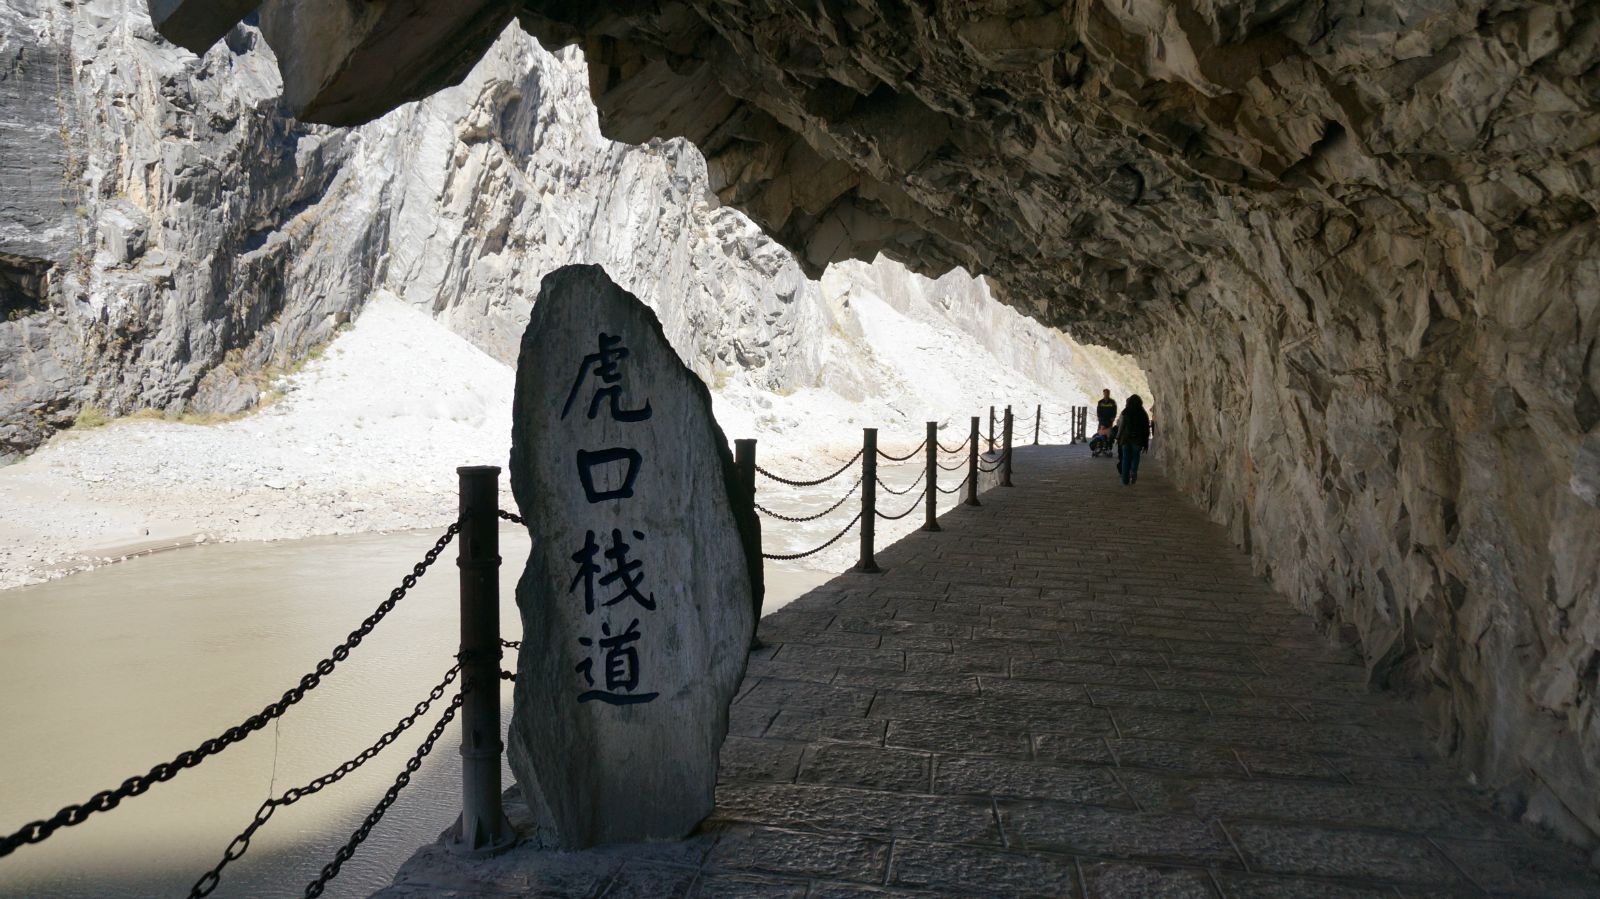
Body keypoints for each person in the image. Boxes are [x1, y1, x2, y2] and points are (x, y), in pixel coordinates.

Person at [1115, 394, 1150, 486]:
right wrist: (1145, 442)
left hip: (1126, 439)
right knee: (1135, 456)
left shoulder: (1126, 411)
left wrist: (1118, 437)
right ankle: (1133, 471)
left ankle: (1125, 480)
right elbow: (1146, 429)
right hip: (1138, 439)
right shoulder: (1143, 413)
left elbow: (1121, 426)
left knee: (1125, 459)